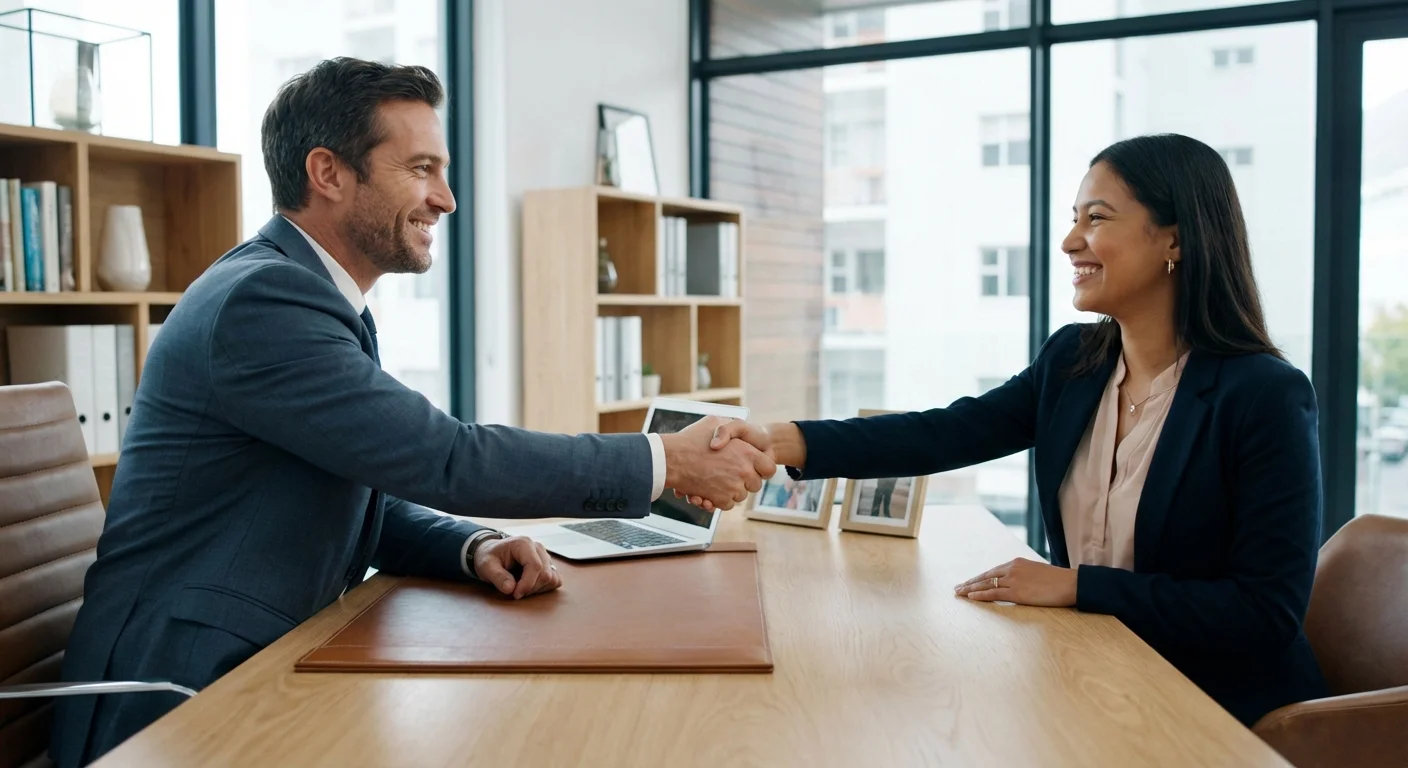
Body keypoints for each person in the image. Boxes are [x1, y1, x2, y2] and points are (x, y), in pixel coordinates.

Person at [50, 58, 773, 768]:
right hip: (175, 693)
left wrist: (472, 547)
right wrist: (663, 460)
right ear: (328, 173)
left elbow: (357, 489)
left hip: (261, 659)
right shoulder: (264, 303)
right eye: (421, 168)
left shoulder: (308, 295)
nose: (447, 199)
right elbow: (446, 458)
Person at [707, 133, 1330, 727]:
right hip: (1096, 673)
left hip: (1221, 709)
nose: (1069, 241)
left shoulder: (1263, 395)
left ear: (1175, 239)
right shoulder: (1074, 363)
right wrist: (785, 439)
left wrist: (1078, 586)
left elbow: (1263, 614)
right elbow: (947, 433)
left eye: (1097, 218)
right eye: (1074, 217)